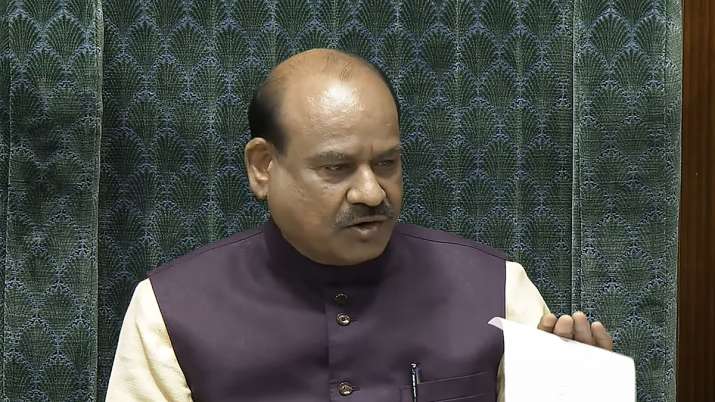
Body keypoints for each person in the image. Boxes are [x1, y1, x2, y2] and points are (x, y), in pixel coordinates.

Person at [106, 49, 612, 402]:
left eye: (387, 163)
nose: (371, 192)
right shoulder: (168, 310)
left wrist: (587, 393)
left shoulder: (499, 290)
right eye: (336, 167)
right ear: (263, 167)